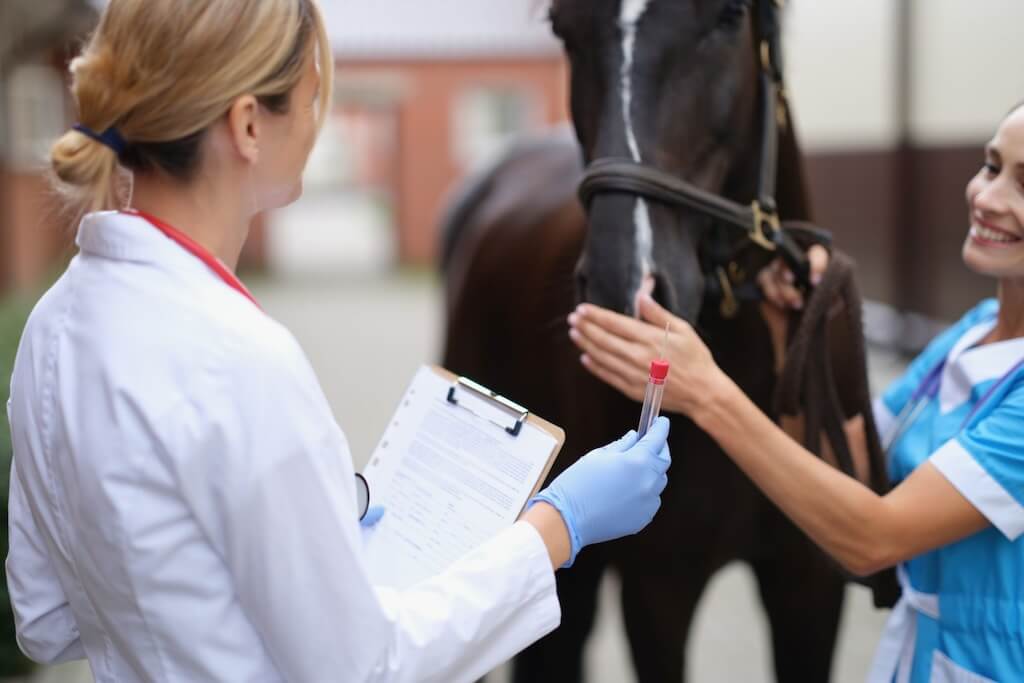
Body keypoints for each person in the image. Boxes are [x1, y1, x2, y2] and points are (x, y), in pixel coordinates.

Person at [4, 1, 672, 681]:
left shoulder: (51, 326)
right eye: (312, 96)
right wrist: (561, 524)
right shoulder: (242, 361)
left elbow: (45, 615)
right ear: (248, 124)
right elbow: (367, 667)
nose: (318, 122)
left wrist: (308, 533)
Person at [568, 103, 1024, 682]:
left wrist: (708, 393)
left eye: (1023, 183)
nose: (986, 197)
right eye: (990, 166)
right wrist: (792, 338)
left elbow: (873, 538)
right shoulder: (973, 331)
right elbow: (852, 467)